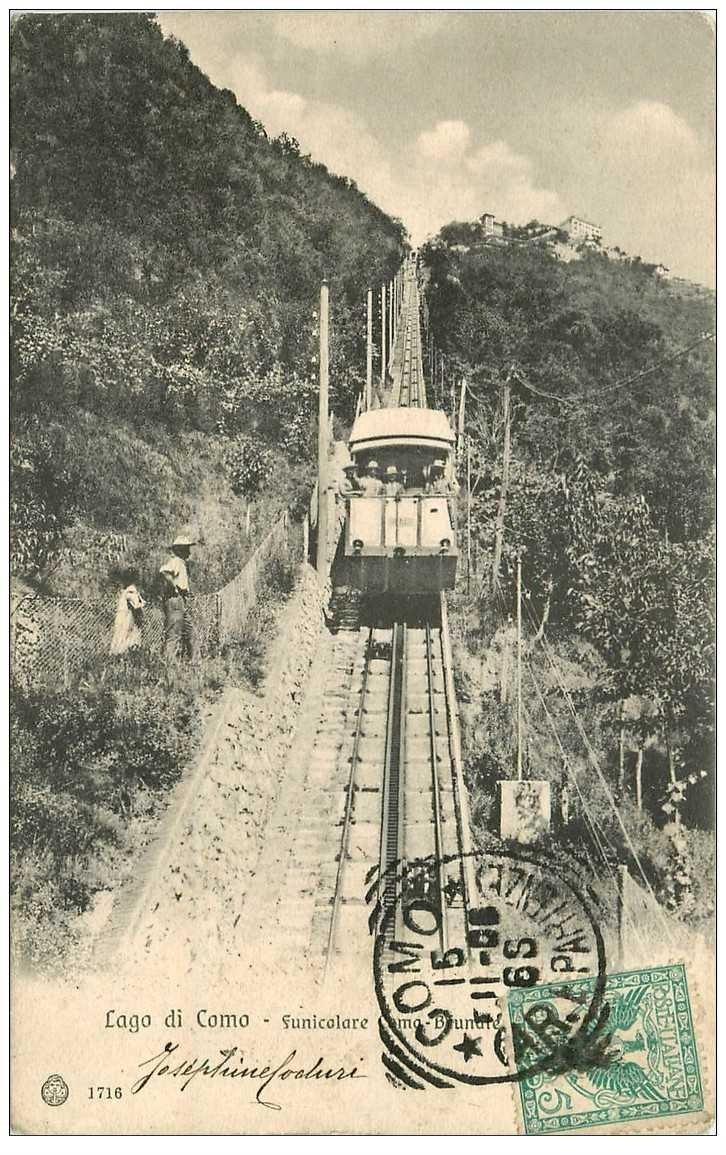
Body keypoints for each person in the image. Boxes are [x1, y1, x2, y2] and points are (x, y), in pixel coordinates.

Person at [159, 532, 196, 659]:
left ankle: (192, 662)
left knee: (190, 632)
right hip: (175, 600)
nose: (189, 552)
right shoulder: (175, 561)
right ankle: (167, 664)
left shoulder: (180, 563)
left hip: (181, 600)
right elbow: (164, 572)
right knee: (173, 634)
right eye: (186, 549)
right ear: (180, 550)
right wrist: (174, 587)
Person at [109, 567, 145, 656]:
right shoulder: (131, 590)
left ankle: (119, 655)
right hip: (126, 617)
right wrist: (142, 604)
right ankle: (123, 656)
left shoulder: (126, 590)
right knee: (125, 636)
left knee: (120, 636)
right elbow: (136, 605)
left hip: (122, 615)